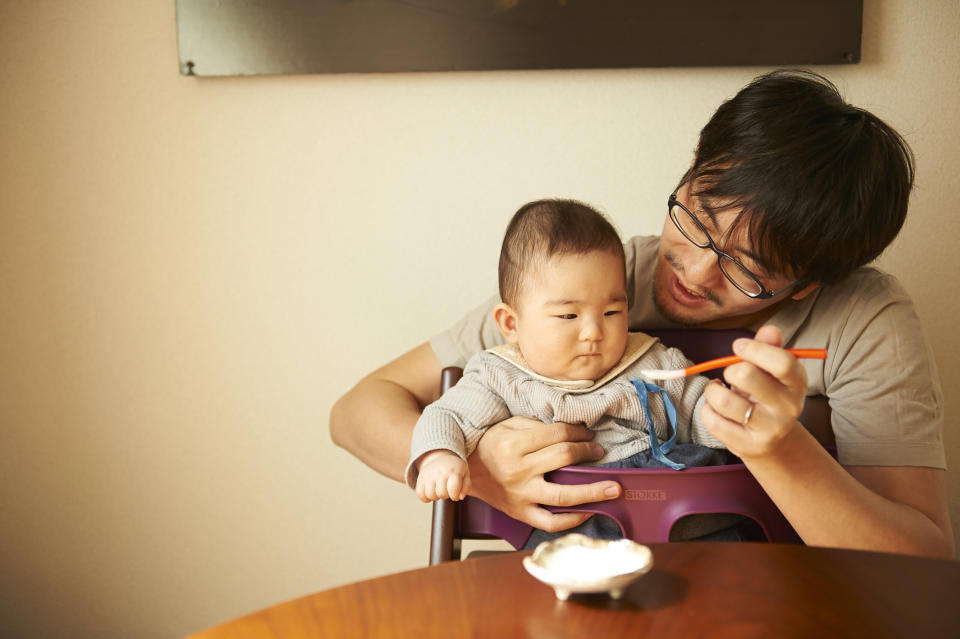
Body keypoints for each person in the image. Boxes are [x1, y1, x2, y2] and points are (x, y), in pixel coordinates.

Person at [330, 69, 954, 558]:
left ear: (806, 285)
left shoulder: (864, 321)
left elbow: (921, 561)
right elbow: (358, 411)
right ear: (691, 166)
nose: (695, 272)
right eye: (696, 222)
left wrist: (780, 449)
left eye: (750, 269)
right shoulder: (593, 283)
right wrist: (480, 469)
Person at [408, 200, 730, 544]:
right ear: (511, 324)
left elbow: (698, 410)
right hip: (572, 523)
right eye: (568, 316)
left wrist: (726, 416)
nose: (594, 331)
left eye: (611, 312)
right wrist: (440, 457)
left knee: (720, 495)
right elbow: (447, 416)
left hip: (671, 513)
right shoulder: (500, 377)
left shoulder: (653, 361)